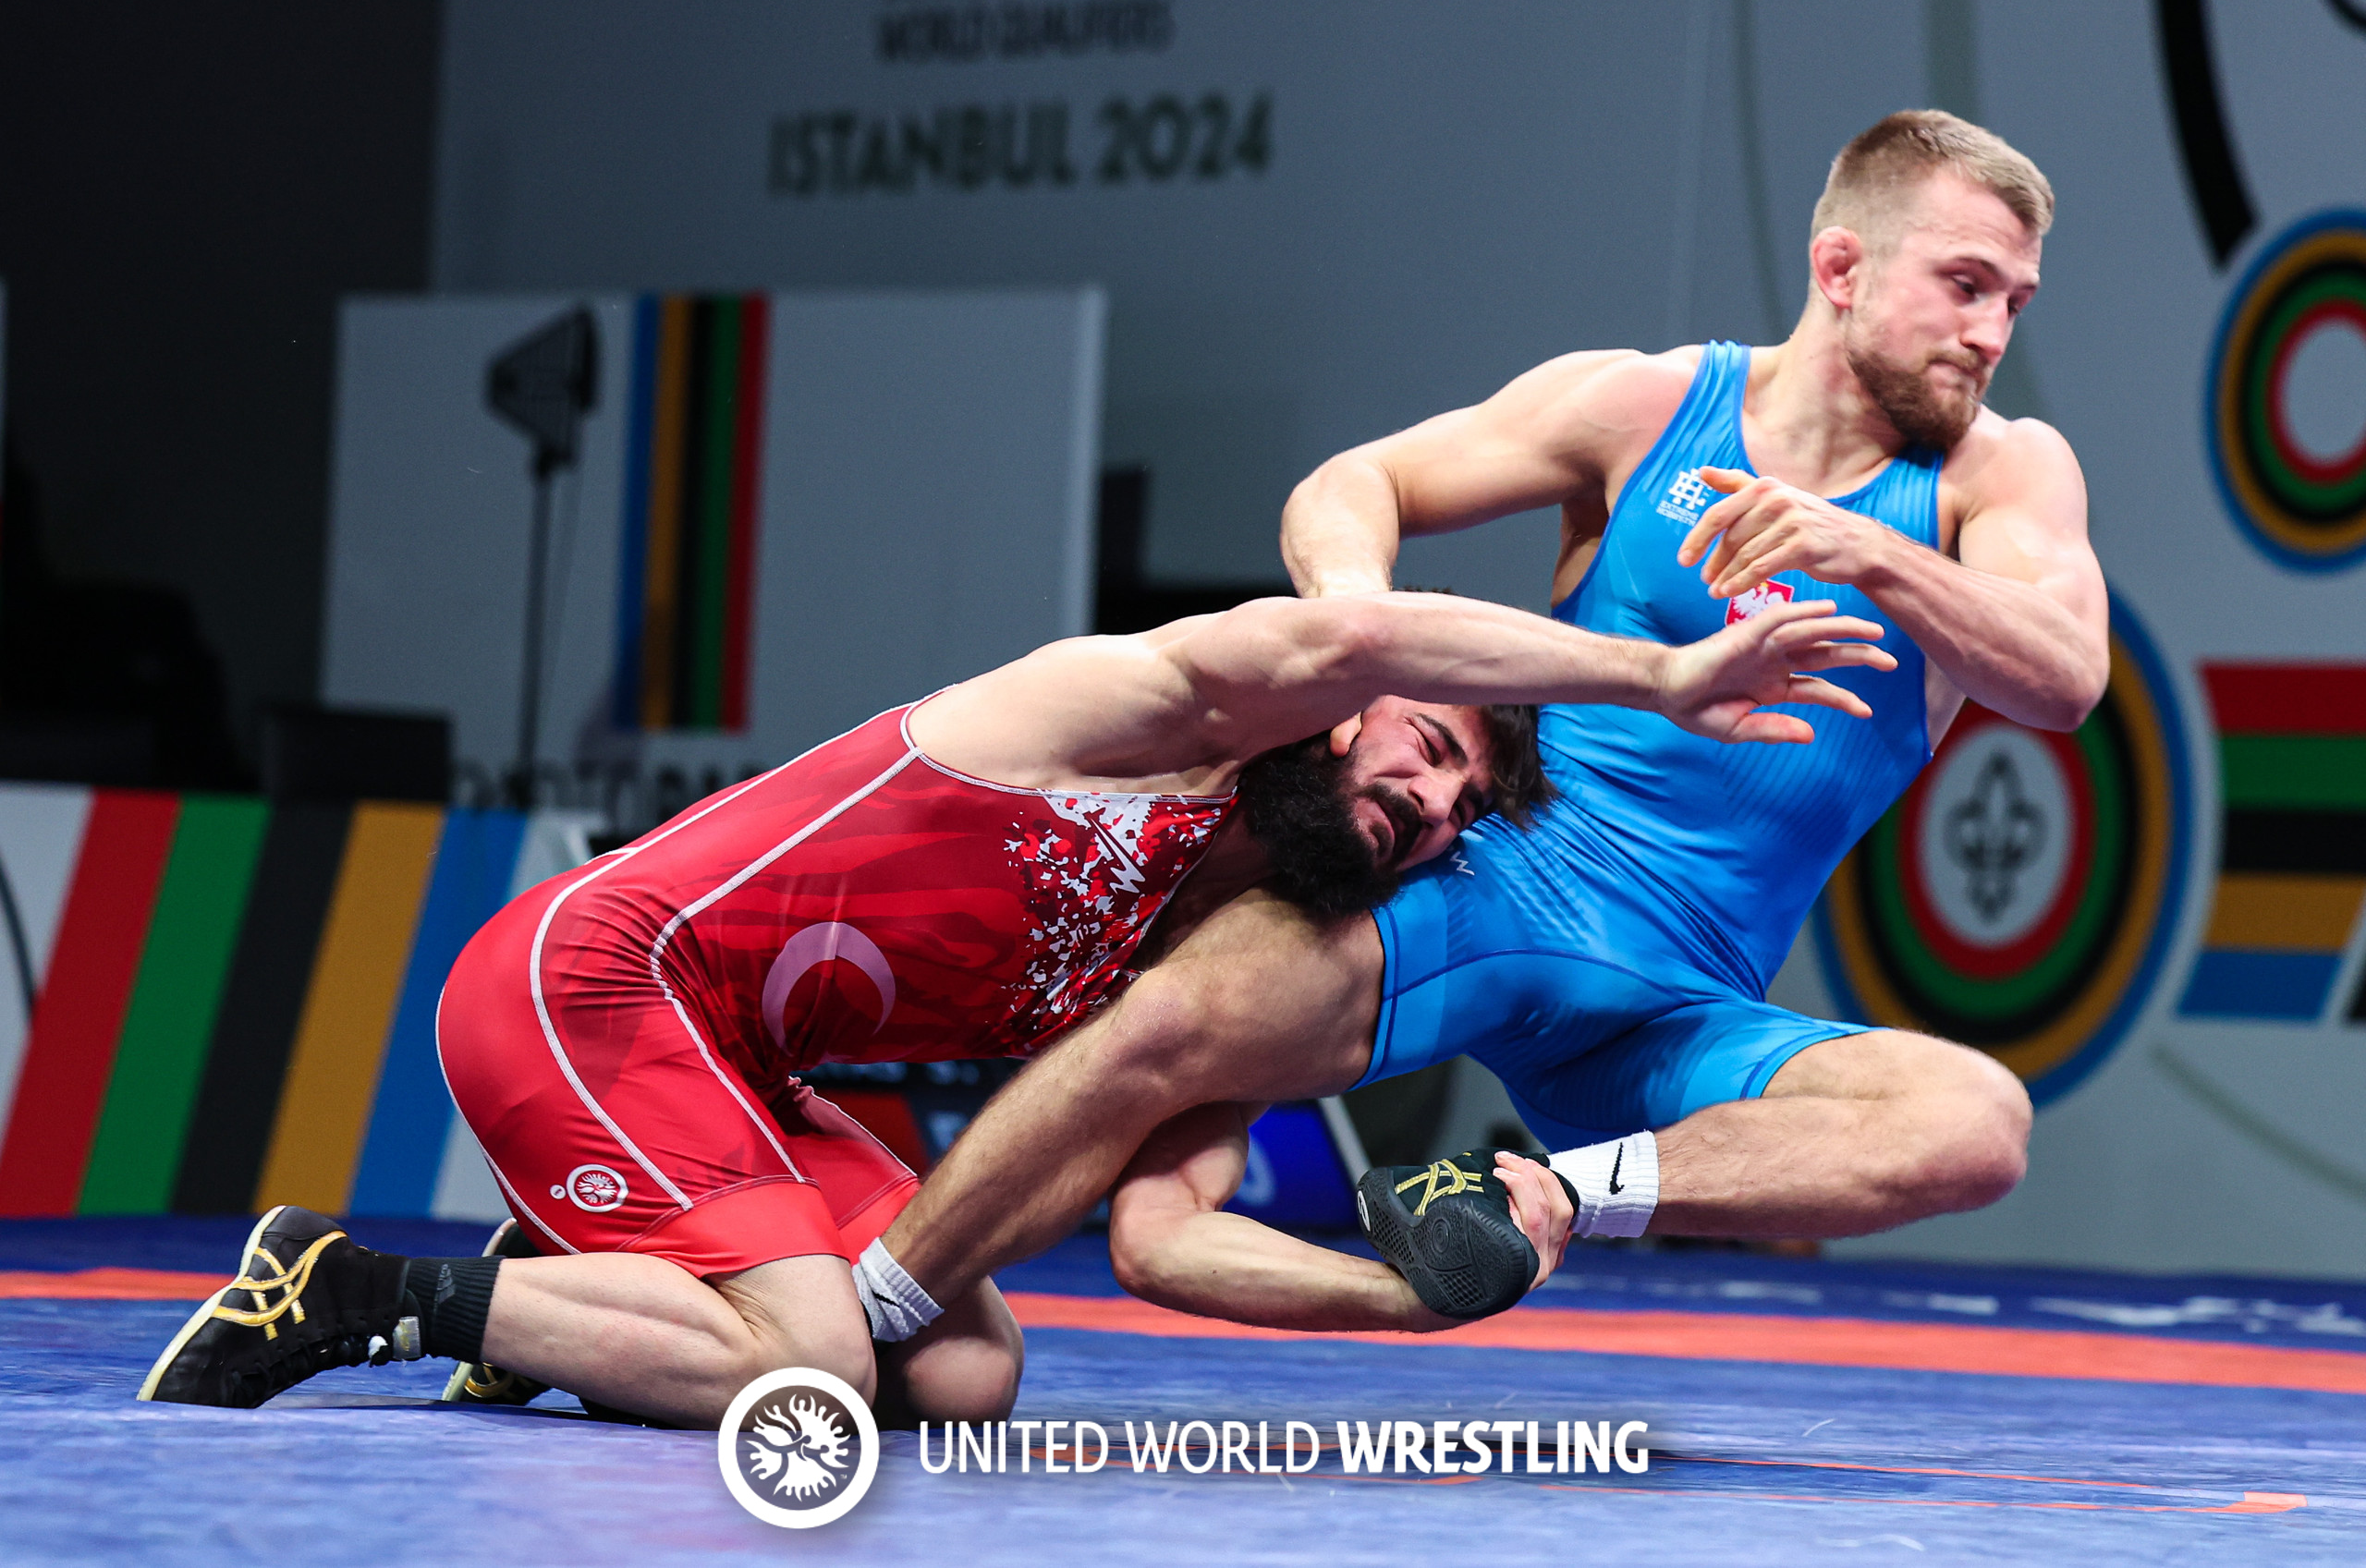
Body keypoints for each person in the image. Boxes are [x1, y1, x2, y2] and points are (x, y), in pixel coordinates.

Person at [860, 108, 2106, 1335]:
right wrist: (1360, 632)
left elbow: (2064, 675)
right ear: (1843, 267)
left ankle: (1548, 1201)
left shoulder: (2000, 475)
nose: (1991, 331)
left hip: (1679, 1014)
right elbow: (1361, 482)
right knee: (1167, 1107)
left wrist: (1872, 557)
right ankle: (866, 1318)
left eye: (2016, 301)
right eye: (1965, 285)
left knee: (1976, 1120)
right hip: (1488, 893)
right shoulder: (1647, 407)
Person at [140, 585, 1888, 1425]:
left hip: (732, 1069)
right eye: (1425, 746)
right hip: (592, 987)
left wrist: (1412, 1298)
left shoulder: (1216, 950)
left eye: (1458, 812)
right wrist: (1661, 674)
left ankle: (566, 1301)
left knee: (964, 1366)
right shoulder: (1134, 709)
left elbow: (1159, 1238)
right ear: (1350, 708)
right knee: (819, 1363)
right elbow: (1353, 620)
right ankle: (358, 1285)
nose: (1426, 806)